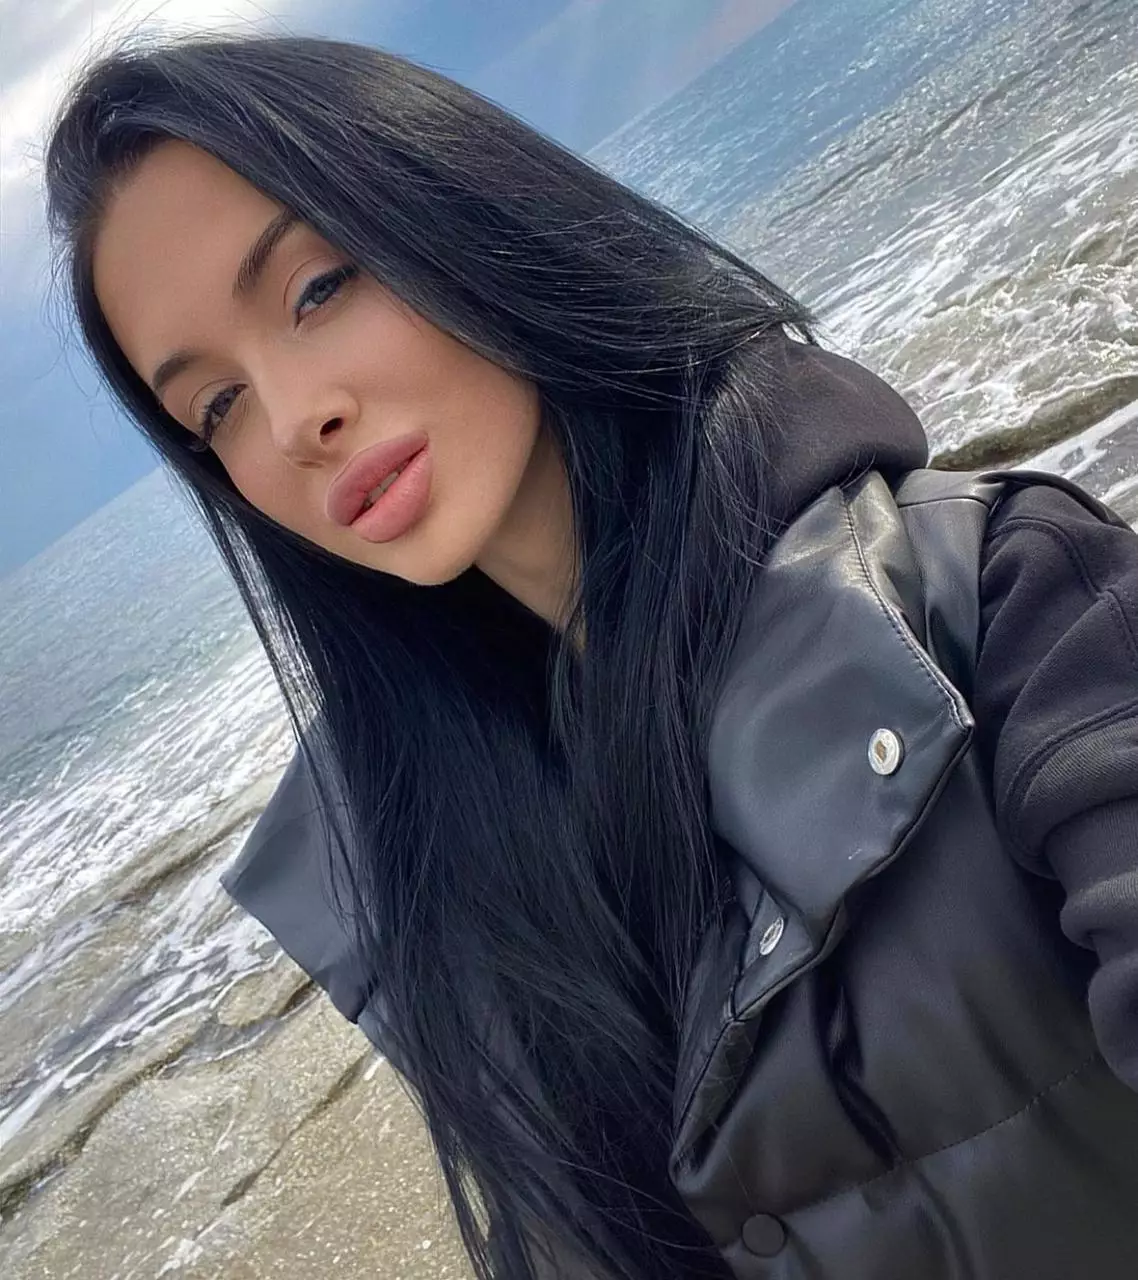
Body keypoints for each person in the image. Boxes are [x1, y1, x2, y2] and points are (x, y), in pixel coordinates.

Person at [43, 33, 1138, 1280]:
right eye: (216, 407)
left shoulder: (1002, 601)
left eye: (316, 288)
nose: (295, 421)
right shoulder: (433, 868)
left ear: (457, 202)